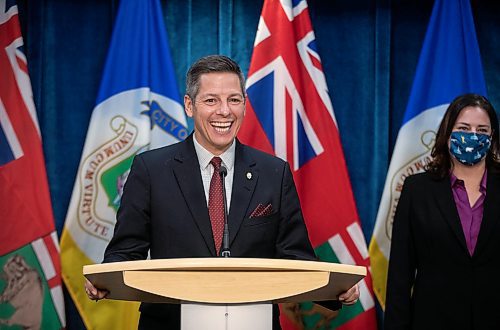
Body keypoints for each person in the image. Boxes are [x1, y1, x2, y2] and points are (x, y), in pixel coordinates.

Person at [84, 55, 359, 329]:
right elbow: (126, 250)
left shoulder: (273, 172)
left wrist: (336, 291)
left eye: (234, 100)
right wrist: (102, 279)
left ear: (244, 105)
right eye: (211, 100)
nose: (224, 111)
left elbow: (295, 257)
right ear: (190, 106)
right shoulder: (151, 169)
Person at [385, 94, 500, 330]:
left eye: (482, 130)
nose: (473, 136)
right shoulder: (417, 190)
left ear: (492, 138)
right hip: (432, 321)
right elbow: (399, 275)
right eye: (464, 128)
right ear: (447, 133)